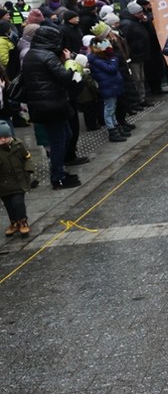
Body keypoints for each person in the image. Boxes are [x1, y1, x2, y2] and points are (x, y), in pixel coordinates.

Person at [21, 26, 82, 189]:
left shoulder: (30, 55)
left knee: (65, 136)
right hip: (51, 105)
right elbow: (66, 77)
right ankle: (57, 176)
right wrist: (69, 60)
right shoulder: (47, 56)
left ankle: (59, 169)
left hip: (42, 104)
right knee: (59, 140)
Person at [88, 36, 127, 142]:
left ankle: (116, 127)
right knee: (109, 109)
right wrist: (113, 58)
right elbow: (112, 69)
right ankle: (112, 130)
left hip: (112, 85)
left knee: (112, 108)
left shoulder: (102, 57)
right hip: (108, 87)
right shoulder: (96, 59)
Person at [0, 120, 33, 237]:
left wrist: (28, 170)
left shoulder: (18, 146)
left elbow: (27, 157)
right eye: (0, 138)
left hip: (19, 180)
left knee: (18, 202)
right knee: (8, 205)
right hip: (3, 184)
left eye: (5, 137)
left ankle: (23, 221)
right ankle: (13, 222)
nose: (2, 140)